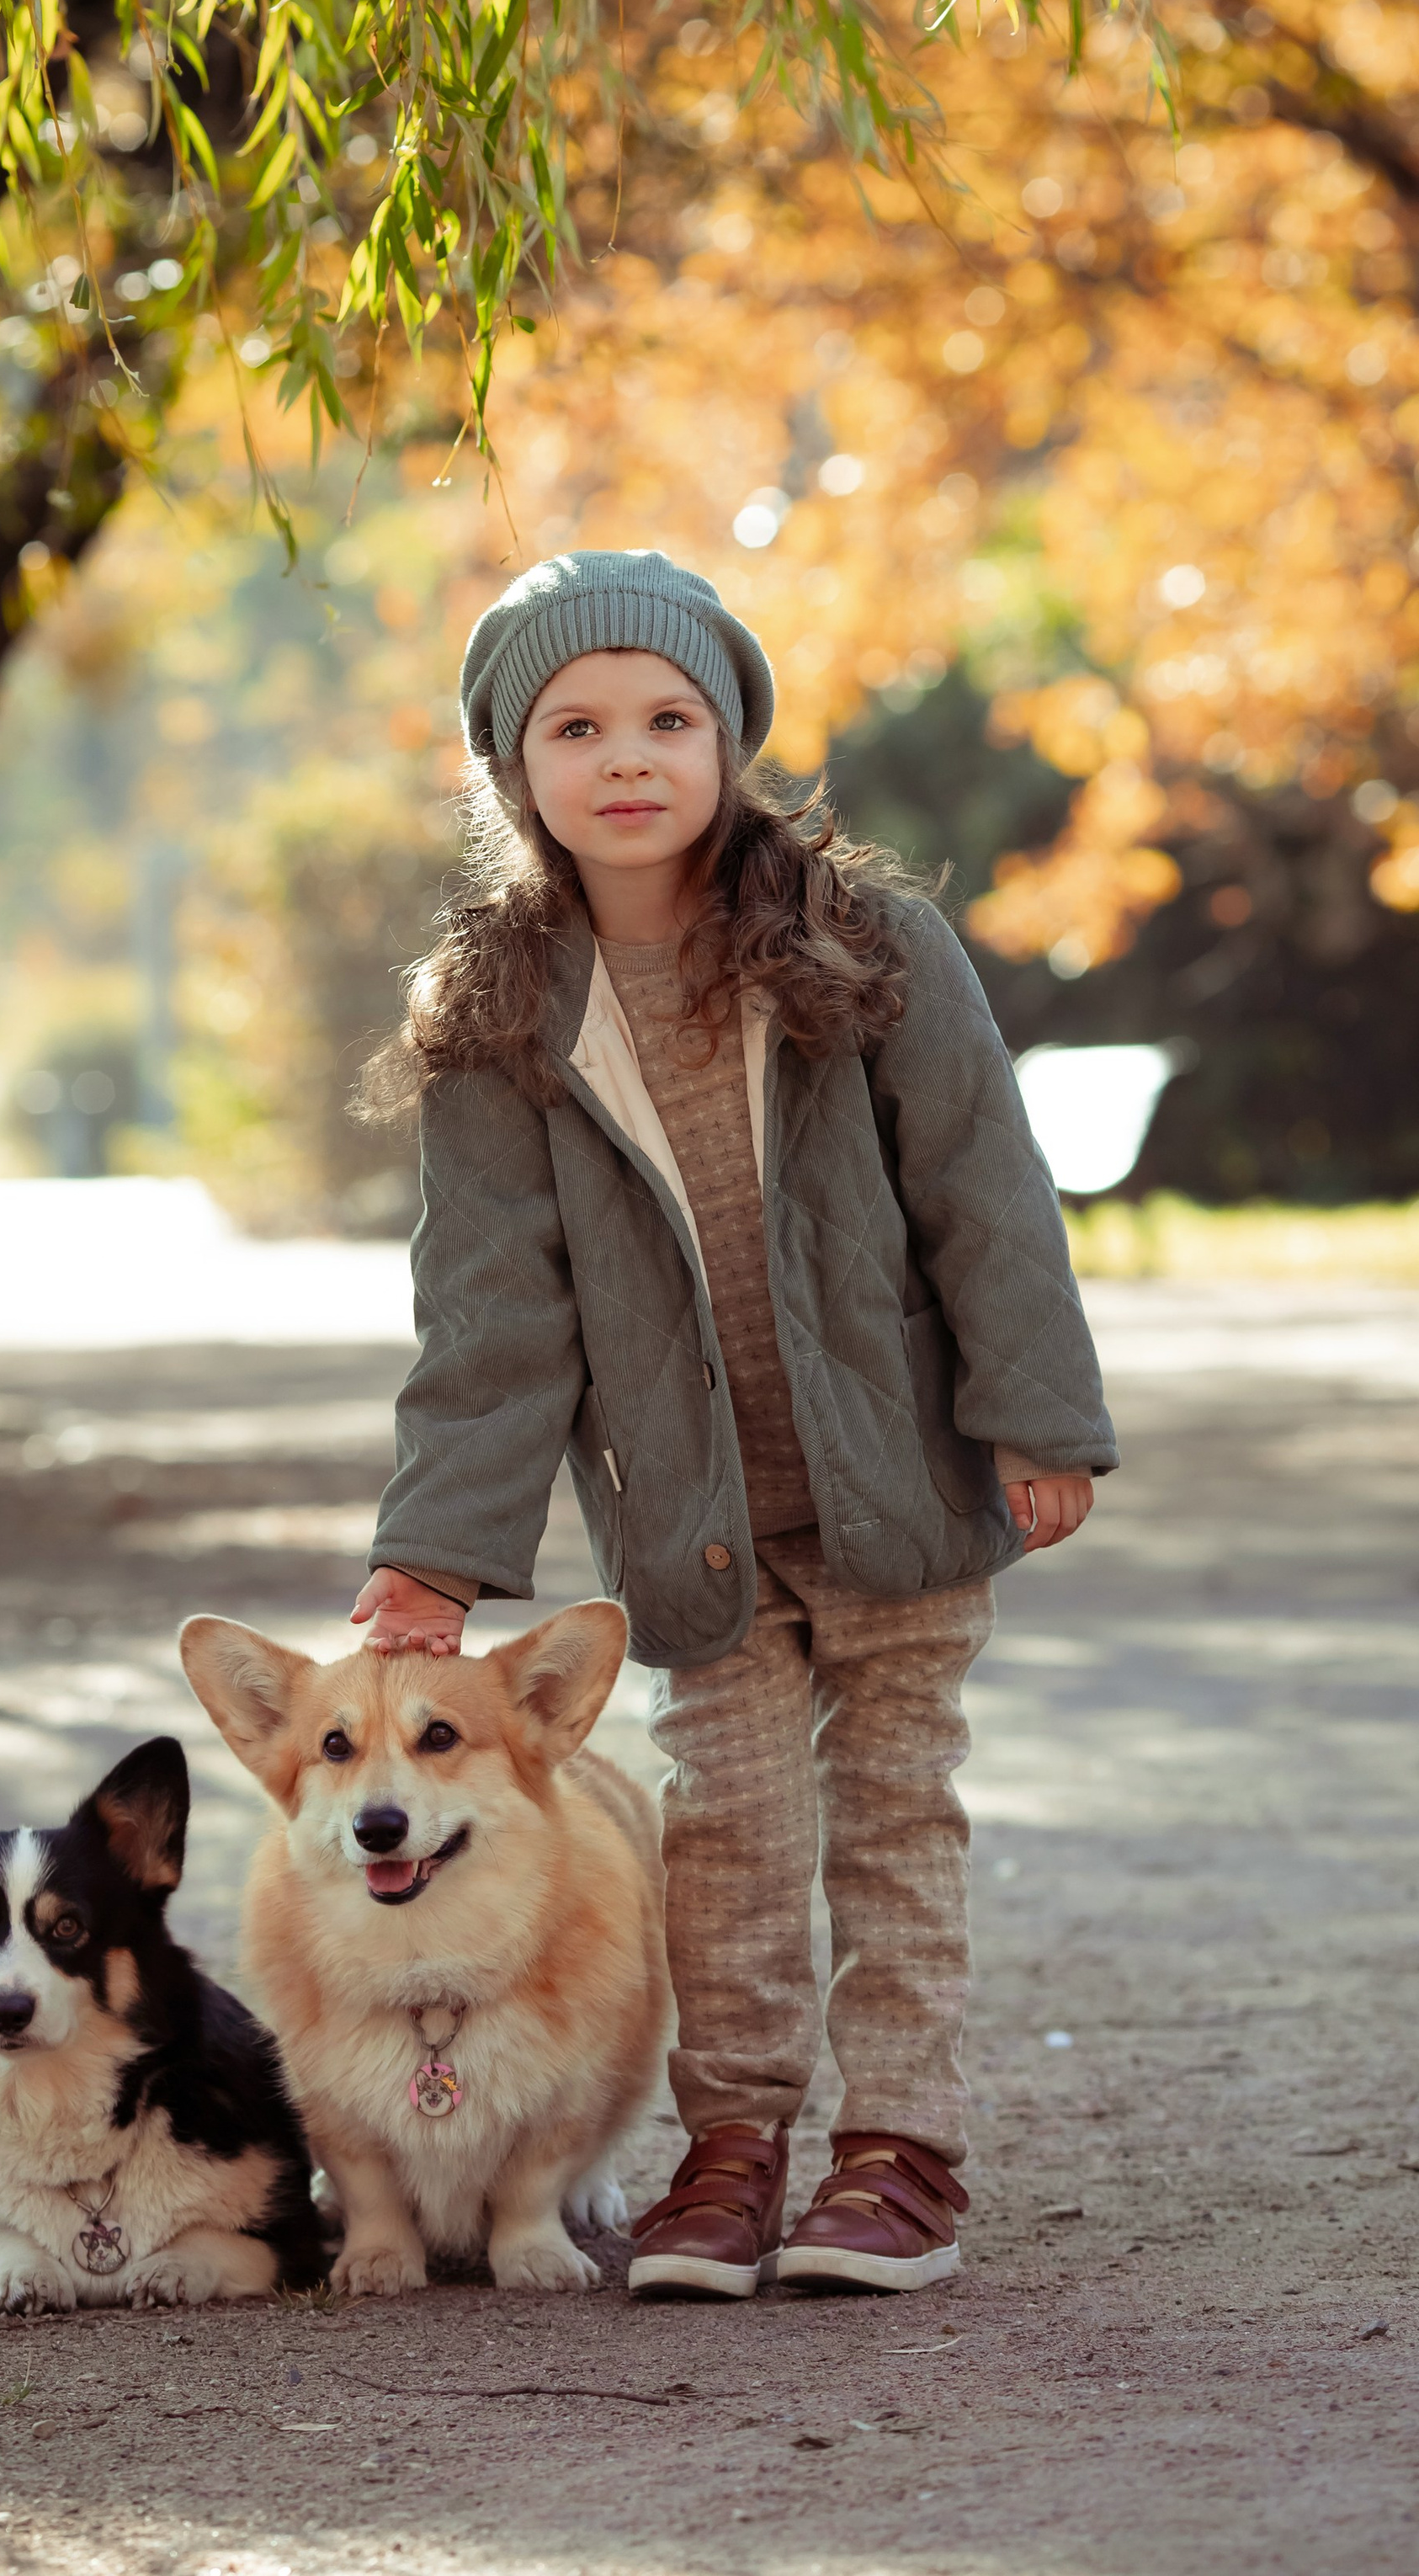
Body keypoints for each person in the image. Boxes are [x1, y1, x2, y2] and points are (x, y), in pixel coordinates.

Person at [348, 549, 1115, 2300]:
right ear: (512, 769)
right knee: (726, 1835)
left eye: (666, 717)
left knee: (894, 1818)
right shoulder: (498, 1019)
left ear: (729, 738)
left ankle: (898, 2150)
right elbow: (488, 1316)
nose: (625, 755)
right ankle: (733, 2146)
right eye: (575, 725)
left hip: (897, 1484)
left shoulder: (863, 943)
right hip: (691, 1516)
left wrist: (1032, 1417)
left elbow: (985, 1197)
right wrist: (433, 1555)